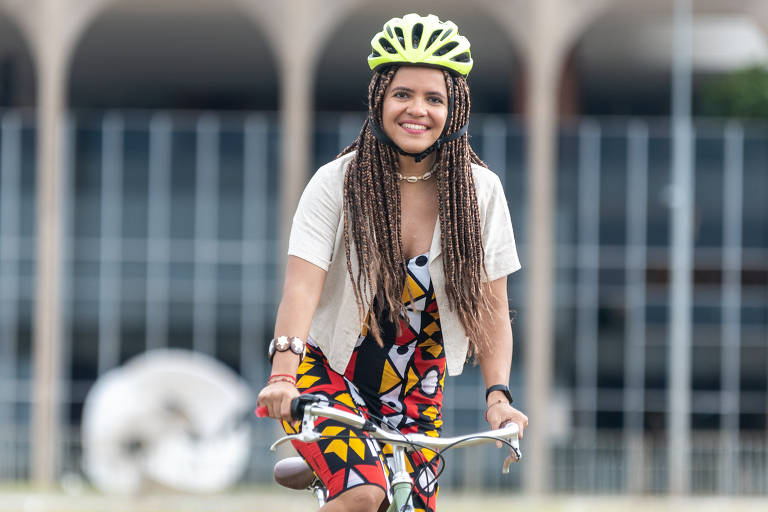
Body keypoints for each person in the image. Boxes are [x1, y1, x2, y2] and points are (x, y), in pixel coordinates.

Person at [257, 13, 528, 512]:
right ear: (380, 99)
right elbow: (301, 290)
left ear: (456, 108)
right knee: (364, 494)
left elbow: (492, 309)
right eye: (402, 94)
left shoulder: (481, 194)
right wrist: (282, 377)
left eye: (434, 98)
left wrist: (498, 395)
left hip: (418, 387)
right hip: (326, 371)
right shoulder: (336, 182)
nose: (416, 110)